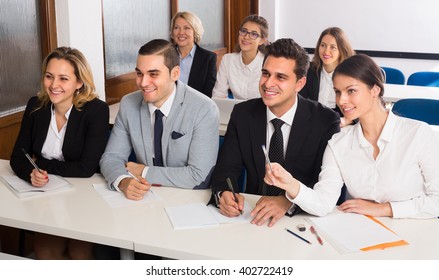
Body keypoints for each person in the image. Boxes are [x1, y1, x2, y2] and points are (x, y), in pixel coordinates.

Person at [265, 54, 439, 219]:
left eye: (351, 91)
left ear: (375, 90)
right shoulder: (338, 143)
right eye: (338, 92)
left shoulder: (418, 134)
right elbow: (324, 203)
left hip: (416, 235)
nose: (341, 101)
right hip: (363, 235)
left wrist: (385, 209)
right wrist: (291, 184)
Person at [210, 38, 341, 227]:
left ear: (300, 84)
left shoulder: (325, 121)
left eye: (280, 77)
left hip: (301, 221)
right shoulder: (243, 114)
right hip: (251, 217)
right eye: (265, 74)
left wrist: (288, 201)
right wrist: (224, 193)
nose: (268, 83)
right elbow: (227, 167)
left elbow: (323, 184)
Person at [9, 46, 110, 259]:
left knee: (79, 255)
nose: (54, 85)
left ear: (79, 82)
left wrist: (41, 165)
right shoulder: (36, 106)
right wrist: (31, 173)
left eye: (63, 78)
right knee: (46, 254)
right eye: (49, 76)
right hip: (46, 195)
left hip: (84, 195)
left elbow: (85, 168)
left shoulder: (96, 110)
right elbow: (18, 156)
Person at [100, 39, 219, 201]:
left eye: (153, 74)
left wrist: (143, 171)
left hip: (189, 200)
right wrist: (123, 181)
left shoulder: (204, 109)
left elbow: (198, 176)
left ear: (175, 74)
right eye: (139, 73)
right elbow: (111, 157)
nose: (143, 82)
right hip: (144, 199)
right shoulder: (128, 104)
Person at [299, 27, 355, 126]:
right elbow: (300, 101)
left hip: (341, 123)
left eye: (333, 47)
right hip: (314, 121)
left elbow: (362, 105)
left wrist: (346, 120)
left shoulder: (351, 74)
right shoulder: (309, 70)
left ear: (341, 49)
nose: (326, 51)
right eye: (323, 45)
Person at [212, 14, 268, 100]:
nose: (246, 37)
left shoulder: (267, 63)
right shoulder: (228, 60)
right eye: (244, 31)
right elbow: (218, 95)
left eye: (253, 34)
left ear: (262, 40)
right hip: (235, 110)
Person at [170, 11, 217, 97]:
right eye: (176, 27)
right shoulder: (165, 55)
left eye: (186, 28)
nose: (181, 32)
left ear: (195, 31)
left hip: (196, 107)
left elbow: (208, 94)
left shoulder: (208, 58)